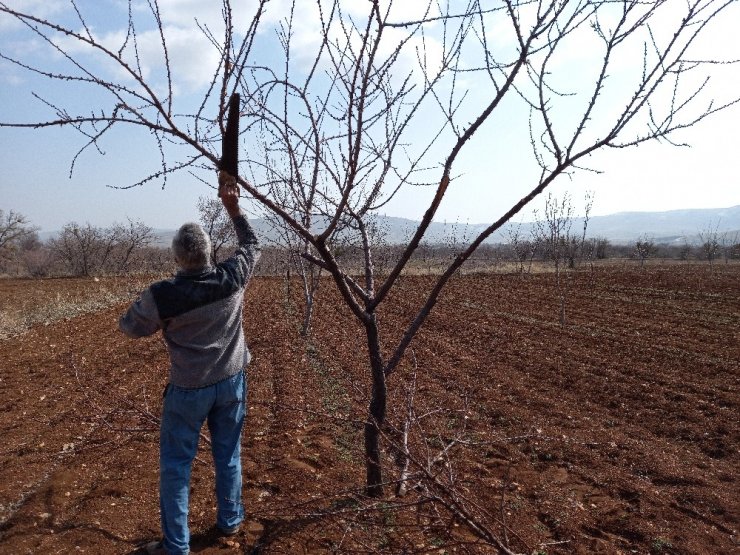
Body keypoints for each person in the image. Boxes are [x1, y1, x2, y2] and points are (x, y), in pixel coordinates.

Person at [119, 172, 260, 555]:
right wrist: (234, 208)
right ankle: (229, 522)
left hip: (188, 390)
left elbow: (130, 328)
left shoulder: (163, 295)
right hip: (232, 380)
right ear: (210, 251)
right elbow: (252, 243)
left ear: (177, 258)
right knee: (228, 454)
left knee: (176, 467)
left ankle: (176, 546)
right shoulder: (233, 277)